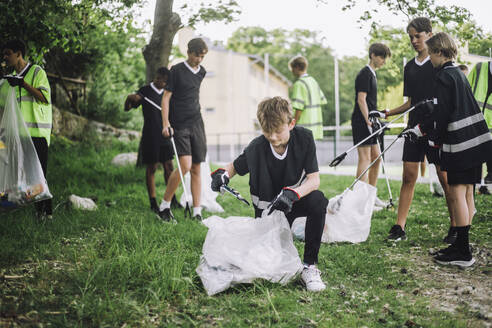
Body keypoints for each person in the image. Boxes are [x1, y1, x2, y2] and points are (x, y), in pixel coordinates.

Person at [211, 96, 329, 292]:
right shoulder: (256, 147)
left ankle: (309, 266)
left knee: (319, 200)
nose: (273, 137)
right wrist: (222, 175)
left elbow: (314, 180)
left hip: (292, 203)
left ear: (291, 123)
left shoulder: (305, 139)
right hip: (268, 215)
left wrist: (293, 194)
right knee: (265, 266)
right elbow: (233, 167)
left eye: (278, 131)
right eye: (267, 131)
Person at [403, 32, 492, 267]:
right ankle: (461, 244)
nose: (430, 58)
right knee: (465, 193)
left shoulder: (443, 76)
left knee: (456, 193)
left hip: (461, 145)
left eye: (431, 53)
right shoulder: (458, 74)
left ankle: (463, 251)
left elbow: (442, 114)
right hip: (477, 144)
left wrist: (428, 136)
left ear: (439, 53)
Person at [371, 17, 454, 242]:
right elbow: (410, 102)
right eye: (411, 37)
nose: (414, 41)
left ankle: (456, 225)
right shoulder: (409, 67)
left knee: (444, 177)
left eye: (418, 36)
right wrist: (387, 113)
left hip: (435, 127)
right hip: (412, 128)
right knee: (409, 177)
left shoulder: (440, 63)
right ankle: (399, 227)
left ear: (429, 34)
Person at [1, 39, 53, 219]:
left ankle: (45, 214)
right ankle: (21, 210)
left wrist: (23, 84)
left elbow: (44, 98)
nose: (5, 57)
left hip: (37, 134)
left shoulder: (37, 72)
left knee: (39, 175)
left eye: (8, 53)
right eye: (4, 54)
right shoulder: (8, 81)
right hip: (17, 136)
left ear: (18, 54)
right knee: (21, 174)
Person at [160, 38, 208, 222]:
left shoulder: (201, 72)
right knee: (185, 165)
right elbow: (166, 98)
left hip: (197, 122)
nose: (199, 60)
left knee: (197, 167)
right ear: (189, 52)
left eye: (203, 56)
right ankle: (164, 206)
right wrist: (166, 123)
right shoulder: (177, 70)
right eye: (197, 55)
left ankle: (197, 212)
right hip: (179, 124)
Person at [124, 67, 180, 215]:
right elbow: (129, 106)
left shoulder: (168, 93)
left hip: (165, 135)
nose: (162, 83)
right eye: (161, 80)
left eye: (165, 81)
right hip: (150, 135)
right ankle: (153, 202)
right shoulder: (145, 91)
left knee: (169, 166)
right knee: (152, 168)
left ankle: (172, 199)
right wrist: (129, 99)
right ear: (157, 78)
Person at [352, 43, 391, 209]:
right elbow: (361, 99)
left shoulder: (373, 74)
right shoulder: (364, 73)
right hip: (362, 122)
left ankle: (370, 196)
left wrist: (376, 115)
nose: (383, 61)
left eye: (385, 58)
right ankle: (360, 200)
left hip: (370, 121)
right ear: (373, 55)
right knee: (365, 158)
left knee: (376, 158)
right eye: (381, 57)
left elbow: (368, 101)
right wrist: (368, 119)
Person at [467, 61, 492, 195]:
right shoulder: (479, 68)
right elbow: (464, 90)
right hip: (473, 126)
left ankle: (484, 185)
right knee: (473, 164)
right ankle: (477, 186)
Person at [288, 56, 327, 140]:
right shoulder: (313, 81)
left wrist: (292, 125)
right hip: (316, 129)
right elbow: (322, 100)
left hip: (303, 129)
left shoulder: (299, 84)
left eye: (292, 68)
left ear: (297, 67)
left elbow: (298, 108)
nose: (292, 71)